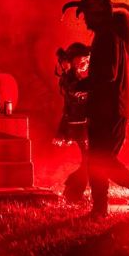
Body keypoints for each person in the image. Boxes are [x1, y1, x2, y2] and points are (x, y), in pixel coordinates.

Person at [63, 0, 129, 218]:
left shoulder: (107, 37)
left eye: (87, 16)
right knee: (99, 160)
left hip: (109, 110)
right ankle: (100, 208)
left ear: (97, 14)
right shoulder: (108, 36)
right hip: (107, 108)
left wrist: (81, 84)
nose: (85, 21)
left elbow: (107, 75)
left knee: (102, 161)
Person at [55, 42, 92, 203]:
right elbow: (76, 97)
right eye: (86, 60)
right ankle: (73, 190)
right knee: (89, 159)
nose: (87, 63)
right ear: (77, 60)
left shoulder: (70, 76)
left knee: (88, 159)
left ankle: (74, 191)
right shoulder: (72, 78)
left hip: (77, 123)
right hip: (80, 124)